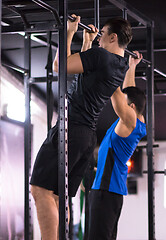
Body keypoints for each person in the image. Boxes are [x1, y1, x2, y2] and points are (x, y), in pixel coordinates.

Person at [30, 14, 133, 239]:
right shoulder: (121, 65)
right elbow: (83, 76)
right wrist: (87, 41)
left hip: (71, 129)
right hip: (86, 136)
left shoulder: (101, 56)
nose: (99, 39)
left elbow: (60, 66)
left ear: (113, 37)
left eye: (103, 35)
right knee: (58, 196)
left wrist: (68, 31)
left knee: (40, 189)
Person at [86, 51, 146, 240]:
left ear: (132, 108)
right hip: (110, 191)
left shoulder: (129, 121)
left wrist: (108, 67)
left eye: (126, 105)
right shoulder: (136, 119)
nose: (123, 105)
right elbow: (129, 92)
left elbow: (118, 95)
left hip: (106, 190)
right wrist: (132, 66)